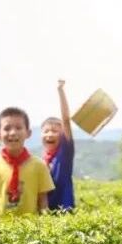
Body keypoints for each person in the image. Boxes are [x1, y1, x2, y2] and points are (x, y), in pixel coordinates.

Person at [0, 107, 54, 224]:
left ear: (28, 133)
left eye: (18, 128)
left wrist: (45, 229)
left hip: (30, 231)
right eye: (7, 128)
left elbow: (43, 202)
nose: (13, 133)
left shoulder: (39, 165)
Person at [42, 80, 77, 211]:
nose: (49, 134)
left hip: (64, 211)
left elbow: (66, 121)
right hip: (46, 212)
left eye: (55, 131)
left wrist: (60, 91)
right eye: (46, 131)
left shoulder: (65, 152)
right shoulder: (43, 159)